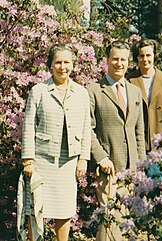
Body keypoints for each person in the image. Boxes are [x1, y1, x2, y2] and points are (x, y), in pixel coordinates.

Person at [19, 43, 91, 241]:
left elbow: (86, 128)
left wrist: (83, 159)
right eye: (57, 62)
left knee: (64, 211)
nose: (62, 67)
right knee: (35, 211)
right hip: (41, 161)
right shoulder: (39, 90)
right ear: (50, 66)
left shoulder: (82, 93)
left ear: (73, 65)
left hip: (68, 163)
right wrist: (28, 160)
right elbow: (29, 126)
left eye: (67, 62)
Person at [86, 40, 146, 241]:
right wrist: (101, 158)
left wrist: (141, 166)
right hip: (108, 168)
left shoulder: (135, 91)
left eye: (123, 60)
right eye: (115, 59)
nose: (119, 64)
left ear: (129, 62)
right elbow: (88, 129)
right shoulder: (93, 90)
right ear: (107, 60)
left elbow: (139, 132)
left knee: (125, 221)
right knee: (108, 217)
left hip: (131, 170)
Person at [129, 39, 162, 152]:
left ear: (154, 56)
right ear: (137, 58)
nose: (145, 59)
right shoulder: (130, 80)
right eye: (141, 56)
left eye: (148, 55)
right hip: (139, 143)